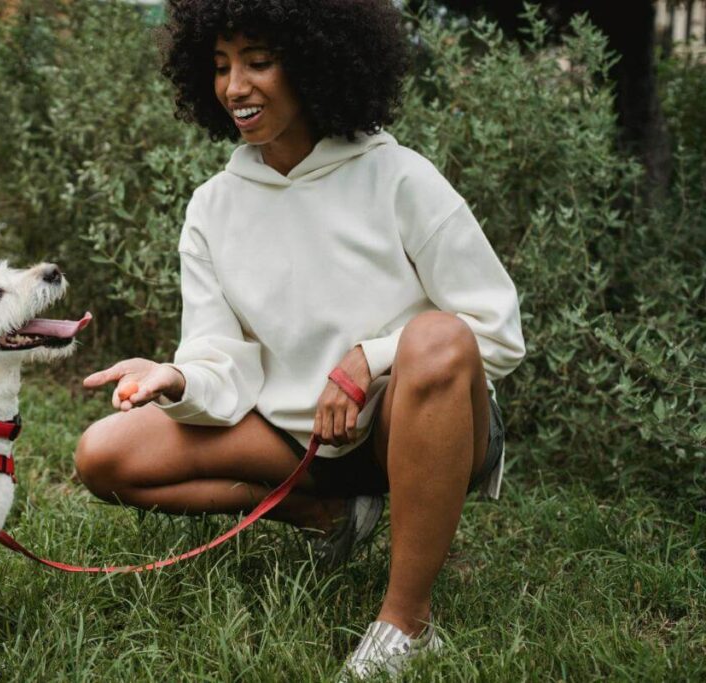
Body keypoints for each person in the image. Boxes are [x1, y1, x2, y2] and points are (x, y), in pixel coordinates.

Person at [75, 0, 525, 677]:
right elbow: (220, 356)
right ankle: (327, 511)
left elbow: (495, 328)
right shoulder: (213, 206)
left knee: (435, 337)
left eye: (259, 62)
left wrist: (370, 359)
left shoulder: (399, 175)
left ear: (314, 63)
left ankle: (406, 619)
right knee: (103, 455)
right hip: (299, 438)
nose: (234, 87)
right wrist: (179, 377)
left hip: (412, 423)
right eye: (222, 66)